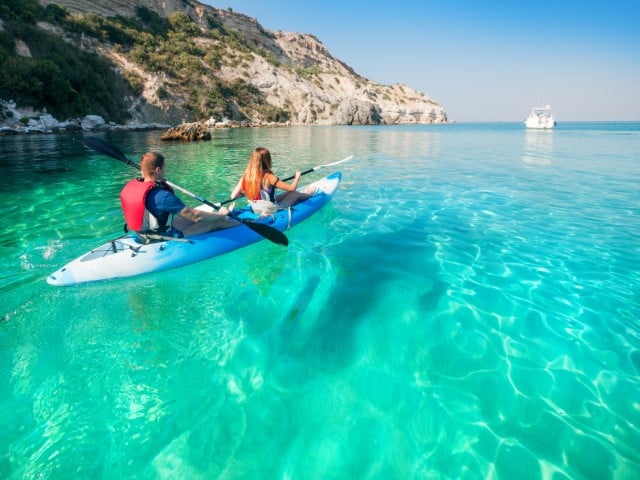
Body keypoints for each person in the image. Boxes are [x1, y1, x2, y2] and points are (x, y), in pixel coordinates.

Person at [120, 151, 236, 239]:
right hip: (163, 237)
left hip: (142, 234)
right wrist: (221, 215)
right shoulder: (163, 196)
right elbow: (196, 216)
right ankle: (242, 225)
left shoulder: (132, 188)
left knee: (187, 217)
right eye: (164, 168)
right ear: (158, 170)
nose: (165, 171)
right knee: (218, 222)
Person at [230, 147, 310, 213]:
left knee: (288, 193)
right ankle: (313, 196)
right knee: (295, 193)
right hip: (271, 209)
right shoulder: (269, 177)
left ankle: (308, 194)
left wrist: (248, 191)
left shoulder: (246, 175)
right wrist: (297, 177)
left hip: (257, 208)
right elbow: (292, 188)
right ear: (267, 160)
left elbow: (233, 196)